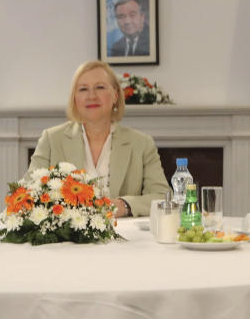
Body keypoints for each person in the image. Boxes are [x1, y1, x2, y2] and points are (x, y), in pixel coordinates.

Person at [26, 60, 169, 217]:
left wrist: (124, 205)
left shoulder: (142, 143)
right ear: (75, 98)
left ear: (115, 95)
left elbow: (163, 196)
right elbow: (27, 193)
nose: (91, 96)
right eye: (83, 89)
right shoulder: (51, 140)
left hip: (125, 237)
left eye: (100, 87)